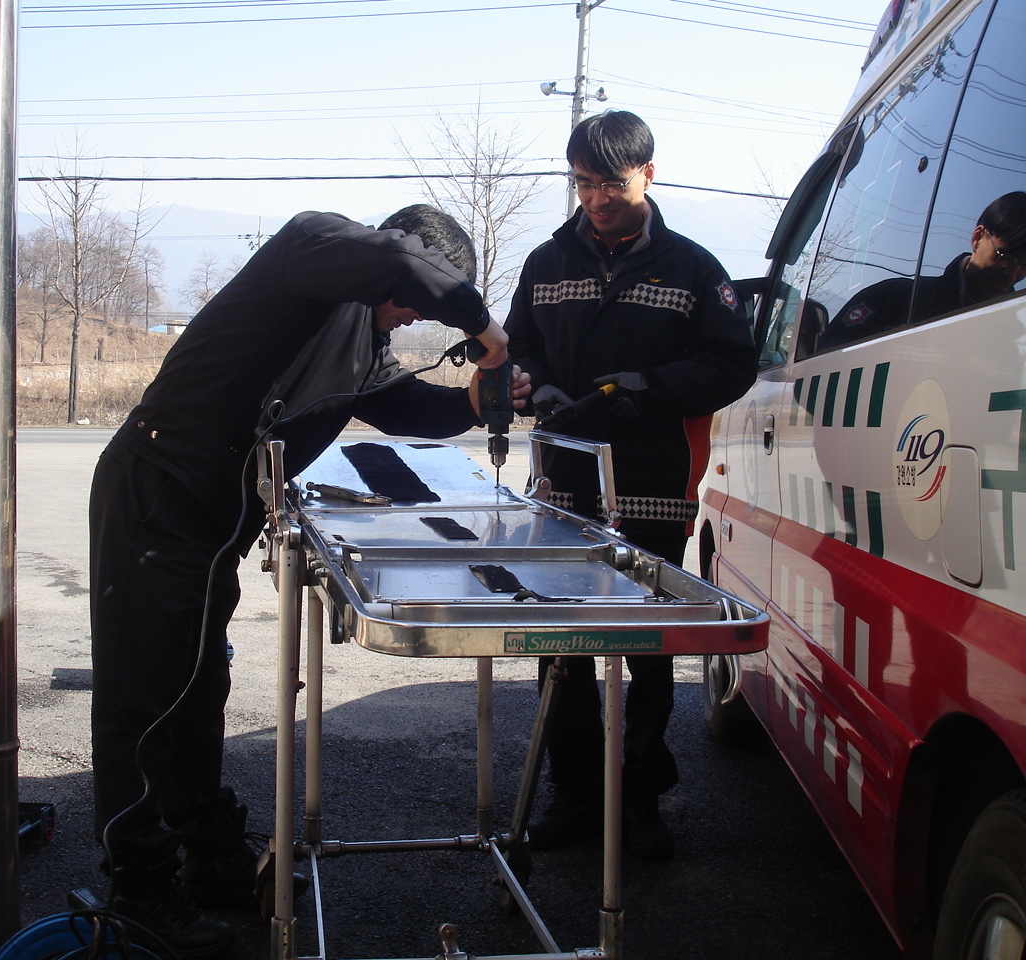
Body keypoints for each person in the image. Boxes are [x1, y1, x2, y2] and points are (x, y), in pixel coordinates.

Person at [89, 205, 528, 957]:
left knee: (196, 689)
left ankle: (211, 857)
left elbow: (403, 407)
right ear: (405, 264)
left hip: (211, 525)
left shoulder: (364, 345)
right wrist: (487, 332)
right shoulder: (310, 251)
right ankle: (139, 893)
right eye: (416, 303)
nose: (413, 319)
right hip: (156, 493)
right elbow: (400, 262)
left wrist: (473, 400)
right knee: (144, 703)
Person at [504, 111, 757, 859]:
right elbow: (517, 350)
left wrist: (651, 387)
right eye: (582, 183)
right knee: (562, 644)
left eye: (610, 183)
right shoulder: (546, 264)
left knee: (648, 649)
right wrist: (534, 385)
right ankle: (577, 793)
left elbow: (732, 365)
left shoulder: (694, 270)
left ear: (648, 173)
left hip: (653, 489)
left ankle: (640, 798)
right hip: (563, 489)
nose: (596, 199)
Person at [818, 191, 1026, 350]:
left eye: (1025, 266)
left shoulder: (1018, 336)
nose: (1012, 274)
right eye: (1005, 258)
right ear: (978, 238)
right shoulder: (892, 300)